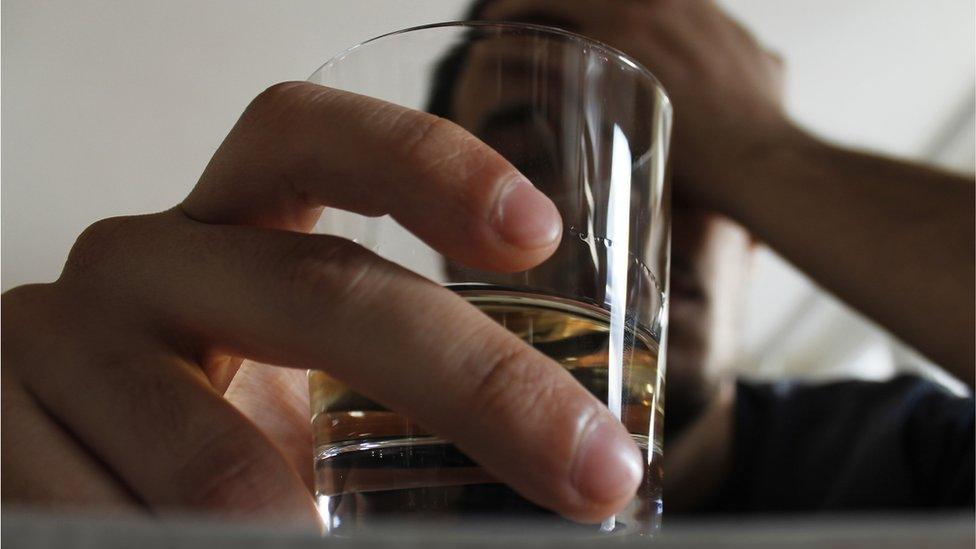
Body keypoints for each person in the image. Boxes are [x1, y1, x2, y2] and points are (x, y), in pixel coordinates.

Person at [2, 0, 972, 526]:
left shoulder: (911, 449)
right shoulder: (374, 488)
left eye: (694, 165)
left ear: (765, 229)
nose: (629, 225)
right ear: (447, 217)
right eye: (540, 156)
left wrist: (768, 147)